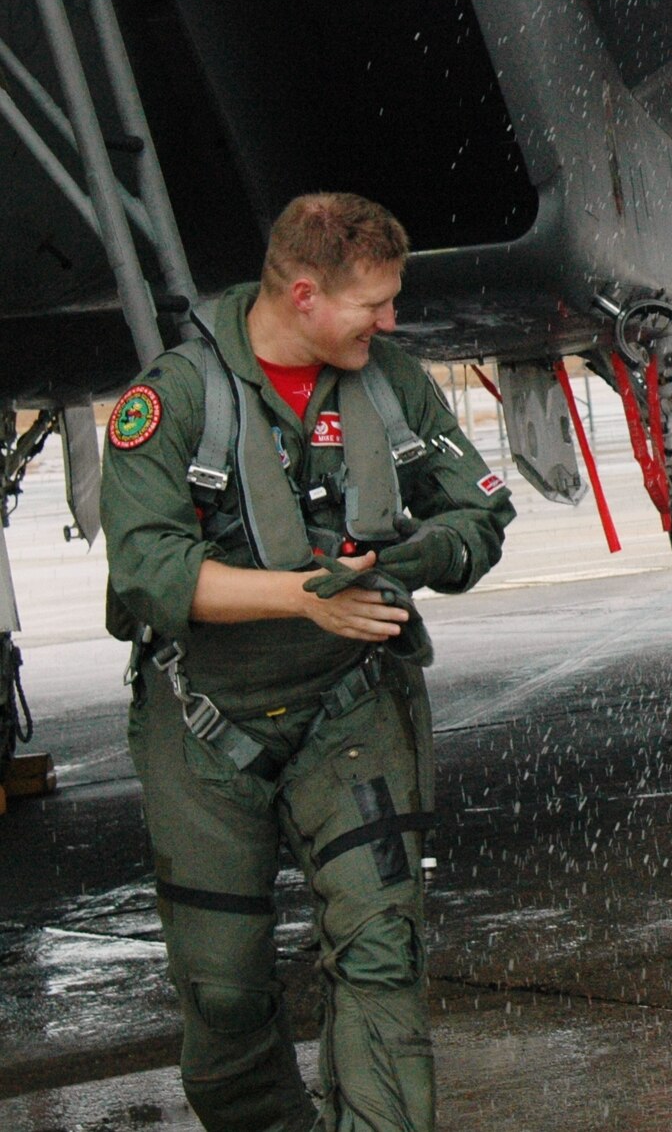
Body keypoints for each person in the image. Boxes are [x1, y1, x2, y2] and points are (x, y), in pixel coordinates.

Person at [101, 192, 515, 1130]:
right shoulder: (169, 403)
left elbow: (478, 515)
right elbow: (147, 572)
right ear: (302, 294)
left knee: (380, 958)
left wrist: (421, 556)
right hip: (205, 717)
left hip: (354, 705)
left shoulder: (391, 382)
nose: (392, 320)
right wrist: (303, 595)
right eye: (374, 303)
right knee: (224, 997)